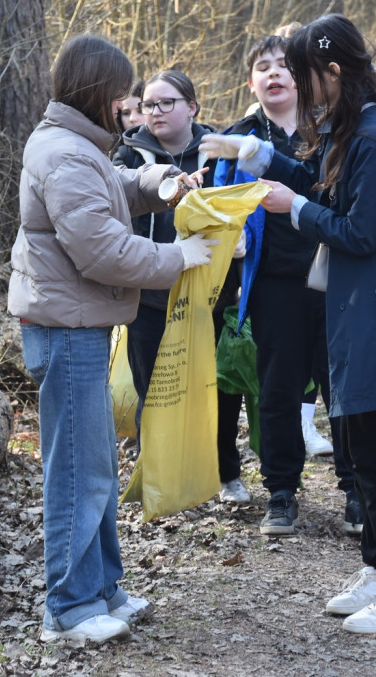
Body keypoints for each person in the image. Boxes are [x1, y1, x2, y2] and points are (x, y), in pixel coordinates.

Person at [202, 14, 376, 634]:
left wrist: (296, 208)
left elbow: (358, 231)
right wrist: (271, 163)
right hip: (365, 314)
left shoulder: (374, 136)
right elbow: (334, 192)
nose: (296, 83)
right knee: (363, 448)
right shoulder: (356, 130)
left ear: (332, 72)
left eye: (303, 72)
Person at [8, 35, 217, 643]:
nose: (130, 105)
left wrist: (161, 185)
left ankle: (102, 590)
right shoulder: (66, 153)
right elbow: (101, 250)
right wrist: (178, 257)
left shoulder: (79, 147)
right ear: (98, 92)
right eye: (123, 93)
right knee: (78, 471)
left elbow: (115, 190)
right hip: (66, 329)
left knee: (92, 463)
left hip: (80, 326)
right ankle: (68, 607)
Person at [214, 34, 363, 537]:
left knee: (340, 384)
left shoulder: (330, 130)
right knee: (276, 388)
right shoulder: (238, 138)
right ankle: (281, 492)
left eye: (283, 65)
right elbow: (217, 211)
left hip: (333, 277)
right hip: (273, 282)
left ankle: (356, 489)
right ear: (250, 80)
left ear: (301, 76)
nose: (274, 73)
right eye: (263, 66)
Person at [112, 70, 248, 505]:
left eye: (167, 102)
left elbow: (242, 208)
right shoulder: (127, 153)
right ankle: (162, 477)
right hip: (149, 293)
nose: (156, 112)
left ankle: (227, 473)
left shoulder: (219, 152)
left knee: (218, 386)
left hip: (210, 292)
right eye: (149, 104)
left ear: (192, 107)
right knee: (155, 386)